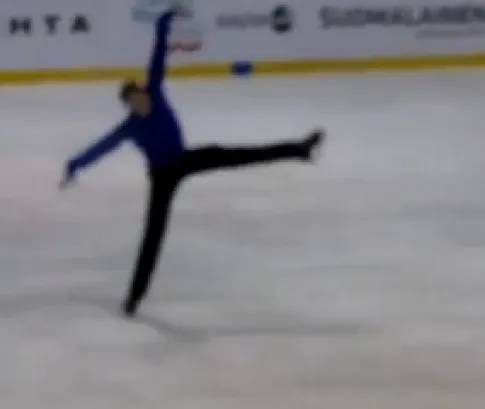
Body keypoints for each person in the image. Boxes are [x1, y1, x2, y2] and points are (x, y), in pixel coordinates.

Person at [61, 9, 325, 317]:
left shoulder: (156, 92)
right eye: (133, 102)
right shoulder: (130, 127)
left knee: (236, 155)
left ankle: (299, 150)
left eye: (140, 96)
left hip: (184, 160)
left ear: (144, 92)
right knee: (153, 235)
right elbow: (101, 148)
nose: (140, 102)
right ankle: (134, 297)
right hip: (162, 176)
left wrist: (163, 23)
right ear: (128, 106)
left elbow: (158, 57)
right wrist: (74, 165)